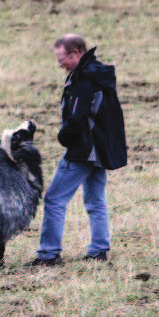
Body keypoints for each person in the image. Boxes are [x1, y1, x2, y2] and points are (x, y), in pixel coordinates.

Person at [26, 33, 127, 266]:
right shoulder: (99, 73)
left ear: (76, 53)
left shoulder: (83, 80)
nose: (59, 63)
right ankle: (99, 250)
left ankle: (49, 255)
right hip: (101, 149)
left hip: (83, 150)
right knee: (95, 199)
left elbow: (77, 118)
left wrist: (63, 137)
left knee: (54, 199)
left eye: (61, 58)